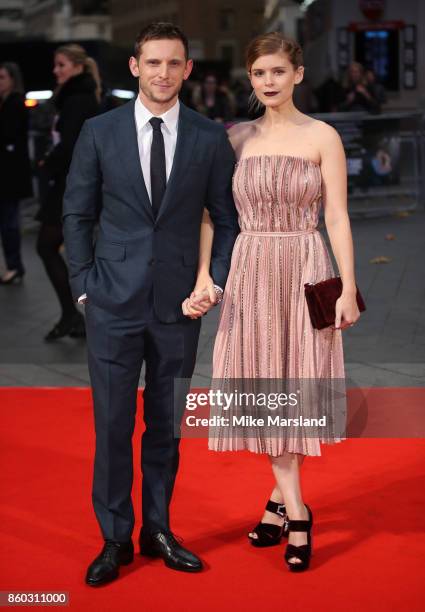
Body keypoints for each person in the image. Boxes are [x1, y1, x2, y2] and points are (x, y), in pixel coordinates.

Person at [62, 22, 239, 586]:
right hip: (112, 302)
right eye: (153, 63)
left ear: (189, 70)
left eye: (174, 63)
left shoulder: (210, 137)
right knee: (113, 426)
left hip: (177, 307)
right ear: (135, 67)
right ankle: (114, 537)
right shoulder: (99, 131)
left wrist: (213, 280)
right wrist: (84, 285)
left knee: (164, 427)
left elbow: (227, 220)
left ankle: (158, 529)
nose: (163, 73)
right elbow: (77, 214)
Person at [185, 32, 361, 572]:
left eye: (278, 72)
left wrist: (348, 286)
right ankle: (290, 504)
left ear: (298, 74)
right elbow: (214, 217)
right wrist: (202, 278)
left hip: (307, 268)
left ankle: (290, 510)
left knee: (296, 387)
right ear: (251, 78)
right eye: (259, 74)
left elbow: (336, 216)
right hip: (252, 271)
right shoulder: (234, 138)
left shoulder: (323, 136)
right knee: (260, 386)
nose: (268, 82)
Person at [36, 44, 101, 341]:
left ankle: (72, 316)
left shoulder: (78, 99)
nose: (55, 70)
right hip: (72, 185)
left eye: (61, 65)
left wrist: (47, 162)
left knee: (47, 246)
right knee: (56, 248)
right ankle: (72, 316)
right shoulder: (77, 97)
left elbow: (72, 146)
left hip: (71, 187)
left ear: (76, 67)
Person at [0, 62, 32, 285]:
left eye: (2, 77)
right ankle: (12, 265)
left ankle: (14, 266)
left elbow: (10, 135)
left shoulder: (16, 103)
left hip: (9, 176)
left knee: (9, 222)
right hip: (6, 173)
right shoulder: (4, 102)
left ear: (12, 79)